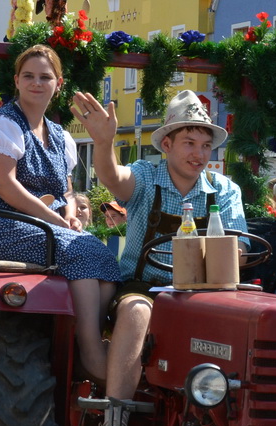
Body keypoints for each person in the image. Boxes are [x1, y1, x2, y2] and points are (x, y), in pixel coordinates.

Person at [72, 89, 246, 407]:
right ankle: (116, 420)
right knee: (137, 310)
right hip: (144, 288)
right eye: (189, 143)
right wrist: (103, 142)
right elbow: (113, 177)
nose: (199, 154)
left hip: (204, 295)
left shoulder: (224, 190)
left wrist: (233, 254)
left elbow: (241, 249)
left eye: (206, 145)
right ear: (166, 145)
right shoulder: (146, 176)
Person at [0, 47, 122, 381]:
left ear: (58, 84)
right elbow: (6, 187)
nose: (36, 83)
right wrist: (54, 219)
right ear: (17, 81)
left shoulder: (61, 136)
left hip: (41, 225)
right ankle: (91, 350)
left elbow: (66, 192)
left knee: (105, 260)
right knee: (81, 251)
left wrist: (71, 214)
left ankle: (79, 339)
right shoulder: (4, 124)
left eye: (45, 77)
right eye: (29, 76)